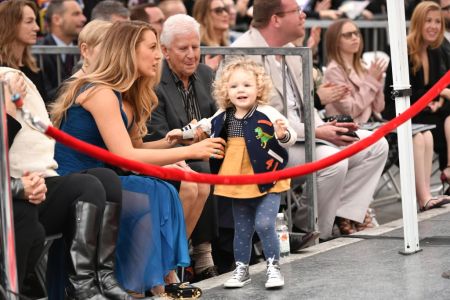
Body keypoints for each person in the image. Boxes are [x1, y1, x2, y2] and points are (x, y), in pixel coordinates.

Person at [51, 20, 226, 296]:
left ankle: (156, 281)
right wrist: (190, 152)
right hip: (75, 184)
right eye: (153, 47)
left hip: (102, 180)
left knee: (160, 190)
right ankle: (144, 285)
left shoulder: (128, 95)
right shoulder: (100, 92)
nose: (159, 55)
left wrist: (177, 141)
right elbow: (125, 157)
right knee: (153, 192)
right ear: (128, 51)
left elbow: (134, 147)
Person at [232, 0, 389, 241]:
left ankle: (341, 215)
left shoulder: (292, 50)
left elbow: (307, 104)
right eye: (297, 11)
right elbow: (259, 116)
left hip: (306, 135)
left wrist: (328, 127)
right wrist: (317, 132)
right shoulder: (243, 52)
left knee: (376, 144)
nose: (304, 16)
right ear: (276, 19)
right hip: (267, 143)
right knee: (332, 162)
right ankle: (314, 231)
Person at [166, 57, 297, 289]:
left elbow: (289, 138)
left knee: (265, 224)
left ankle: (273, 266)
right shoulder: (223, 114)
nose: (240, 90)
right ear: (226, 90)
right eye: (234, 86)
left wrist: (282, 134)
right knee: (242, 228)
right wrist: (182, 134)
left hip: (266, 177)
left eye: (247, 85)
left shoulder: (267, 112)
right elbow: (202, 126)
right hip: (237, 179)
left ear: (259, 88)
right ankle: (241, 269)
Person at [145, 14, 220, 282]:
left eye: (196, 47)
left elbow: (220, 116)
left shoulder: (206, 74)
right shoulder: (154, 82)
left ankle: (238, 246)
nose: (192, 55)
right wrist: (194, 139)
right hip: (167, 157)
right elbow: (160, 135)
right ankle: (201, 252)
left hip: (206, 150)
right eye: (183, 48)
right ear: (165, 51)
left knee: (236, 156)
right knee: (200, 167)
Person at [384, 1, 450, 208]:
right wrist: (439, 93)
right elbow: (398, 94)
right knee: (424, 136)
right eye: (428, 21)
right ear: (418, 22)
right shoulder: (402, 49)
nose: (433, 26)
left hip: (428, 113)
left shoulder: (436, 50)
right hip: (404, 113)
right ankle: (424, 198)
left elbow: (436, 88)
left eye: (437, 21)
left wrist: (438, 101)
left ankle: (447, 171)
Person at [0, 0, 48, 103]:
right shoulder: (2, 70)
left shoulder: (34, 68)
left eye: (35, 21)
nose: (37, 28)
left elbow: (45, 107)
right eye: (29, 21)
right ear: (11, 25)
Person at [39, 0, 86, 102]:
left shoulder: (86, 50)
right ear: (57, 19)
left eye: (82, 13)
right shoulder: (38, 53)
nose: (83, 19)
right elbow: (44, 96)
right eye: (76, 14)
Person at [192, 0, 230, 70]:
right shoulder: (198, 48)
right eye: (218, 10)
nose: (225, 14)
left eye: (225, 9)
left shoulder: (227, 44)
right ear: (204, 16)